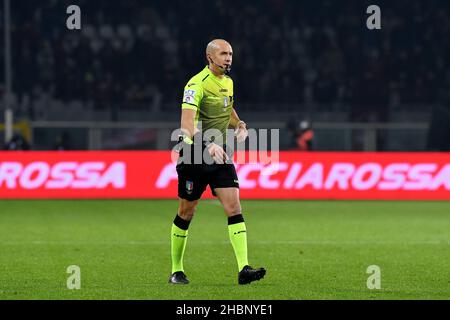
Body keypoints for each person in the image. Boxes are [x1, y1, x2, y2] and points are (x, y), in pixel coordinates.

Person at [169, 39, 266, 285]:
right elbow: (187, 126)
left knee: (234, 207)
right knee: (186, 211)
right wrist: (208, 144)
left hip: (220, 155)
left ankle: (244, 269)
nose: (229, 58)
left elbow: (229, 109)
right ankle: (176, 270)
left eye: (231, 53)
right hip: (194, 156)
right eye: (224, 53)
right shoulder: (196, 84)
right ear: (210, 57)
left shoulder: (228, 82)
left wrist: (240, 123)